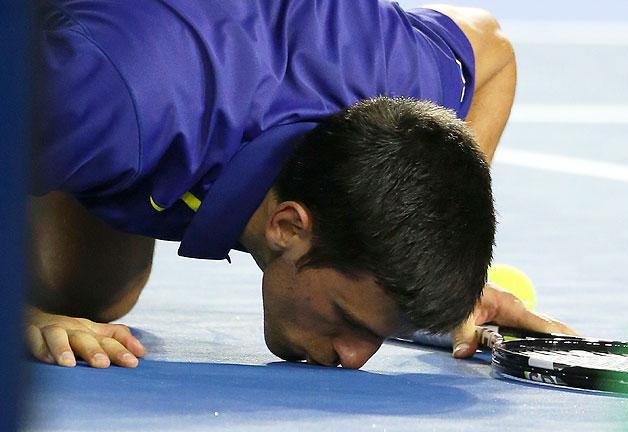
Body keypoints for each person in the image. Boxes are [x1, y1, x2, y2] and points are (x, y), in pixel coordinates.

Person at [27, 0, 575, 370]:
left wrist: (434, 275)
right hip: (110, 67)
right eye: (348, 318)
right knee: (72, 297)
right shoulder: (107, 102)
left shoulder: (404, 82)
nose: (357, 357)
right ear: (288, 224)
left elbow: (492, 51)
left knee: (92, 291)